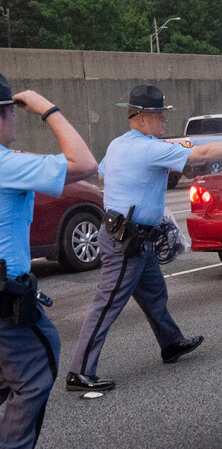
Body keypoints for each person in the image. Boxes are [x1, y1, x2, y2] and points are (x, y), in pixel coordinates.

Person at [66, 84, 222, 391]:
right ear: (142, 117)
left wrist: (144, 186)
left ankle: (171, 343)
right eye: (160, 115)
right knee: (107, 304)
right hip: (126, 239)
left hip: (133, 236)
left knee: (154, 294)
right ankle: (79, 372)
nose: (164, 120)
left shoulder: (119, 145)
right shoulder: (150, 148)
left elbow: (104, 175)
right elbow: (201, 153)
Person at [0, 74, 98, 447]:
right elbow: (84, 163)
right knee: (35, 372)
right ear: (4, 115)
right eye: (13, 112)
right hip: (6, 302)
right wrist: (46, 108)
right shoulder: (7, 165)